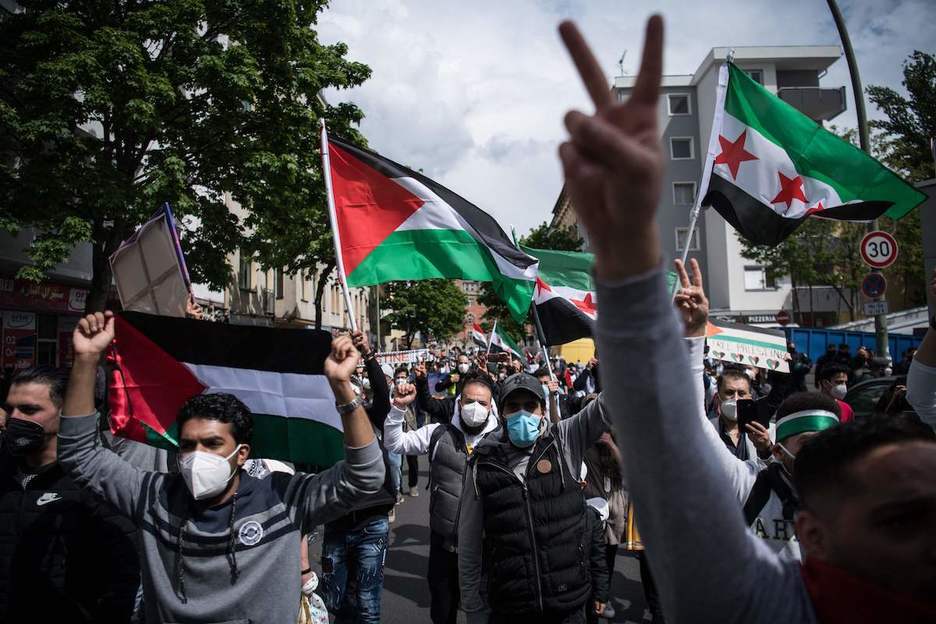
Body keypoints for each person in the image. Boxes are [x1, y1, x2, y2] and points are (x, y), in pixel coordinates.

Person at [558, 14, 936, 622]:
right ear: (813, 538)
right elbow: (669, 438)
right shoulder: (767, 600)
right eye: (900, 519)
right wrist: (629, 254)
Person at [58, 311, 385, 623]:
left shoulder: (284, 498)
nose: (197, 455)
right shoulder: (152, 497)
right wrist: (86, 361)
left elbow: (365, 476)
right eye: (188, 445)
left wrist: (343, 388)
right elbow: (81, 456)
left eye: (213, 444)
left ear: (242, 453)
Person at [458, 373, 611, 623]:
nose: (522, 414)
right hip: (512, 607)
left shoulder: (563, 440)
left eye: (530, 406)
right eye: (513, 407)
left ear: (542, 411)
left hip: (568, 605)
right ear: (501, 413)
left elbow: (610, 405)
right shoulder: (482, 462)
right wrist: (473, 608)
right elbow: (469, 544)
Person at [0, 366, 140, 622]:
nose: (14, 419)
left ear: (66, 413)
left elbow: (124, 577)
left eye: (29, 410)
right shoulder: (3, 472)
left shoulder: (97, 483)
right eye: (10, 409)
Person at [383, 369, 500, 624]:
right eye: (470, 401)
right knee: (443, 611)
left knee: (484, 614)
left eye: (482, 403)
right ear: (459, 403)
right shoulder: (437, 433)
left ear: (491, 407)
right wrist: (398, 409)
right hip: (444, 546)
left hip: (487, 549)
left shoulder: (503, 442)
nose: (475, 407)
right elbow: (394, 444)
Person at [319, 330, 395, 623]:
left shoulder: (368, 416)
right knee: (332, 599)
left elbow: (382, 395)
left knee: (367, 601)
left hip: (371, 522)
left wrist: (369, 354)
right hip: (336, 520)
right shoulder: (321, 421)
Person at [709, 368, 758, 460]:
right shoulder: (707, 430)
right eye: (729, 392)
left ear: (749, 398)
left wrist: (765, 450)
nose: (736, 399)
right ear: (717, 397)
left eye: (741, 393)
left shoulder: (764, 433)